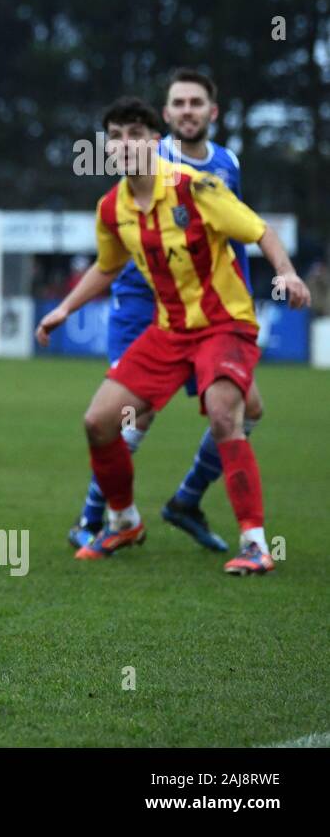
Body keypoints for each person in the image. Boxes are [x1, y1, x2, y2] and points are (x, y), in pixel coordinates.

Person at [37, 96, 310, 574]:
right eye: (115, 138)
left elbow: (259, 230)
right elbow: (108, 266)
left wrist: (286, 273)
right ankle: (123, 520)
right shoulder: (111, 208)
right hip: (170, 331)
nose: (125, 145)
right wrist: (63, 308)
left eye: (136, 135)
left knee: (229, 413)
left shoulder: (196, 189)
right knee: (99, 421)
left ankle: (254, 543)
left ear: (154, 142)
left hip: (225, 324)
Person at [66, 70, 262, 553]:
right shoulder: (151, 161)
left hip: (207, 313)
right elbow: (115, 251)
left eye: (198, 102)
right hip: (146, 306)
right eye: (179, 104)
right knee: (131, 415)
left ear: (212, 112)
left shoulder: (225, 163)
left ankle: (186, 500)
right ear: (167, 118)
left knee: (245, 408)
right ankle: (100, 518)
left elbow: (229, 239)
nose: (189, 111)